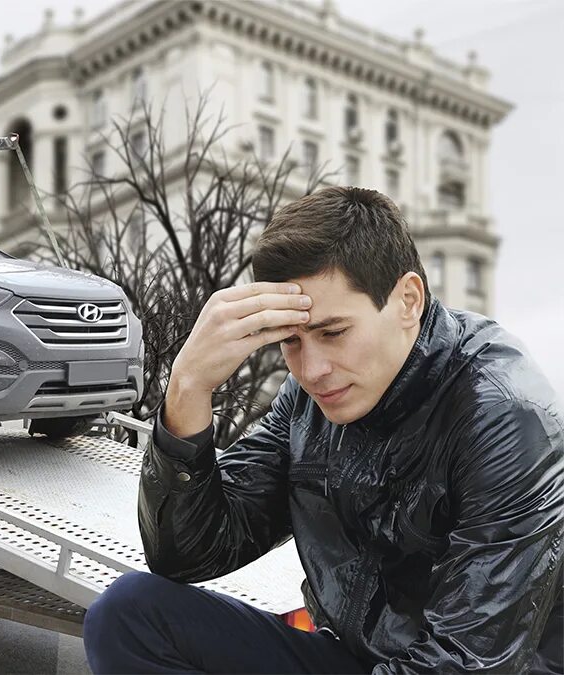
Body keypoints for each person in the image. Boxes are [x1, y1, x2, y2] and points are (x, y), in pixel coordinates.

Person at [83, 187, 563, 673]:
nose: (312, 369)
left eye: (333, 333)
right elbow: (189, 554)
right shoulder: (307, 400)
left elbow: (468, 661)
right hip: (353, 657)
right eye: (292, 340)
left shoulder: (504, 416)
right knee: (131, 614)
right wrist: (187, 388)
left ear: (407, 301)